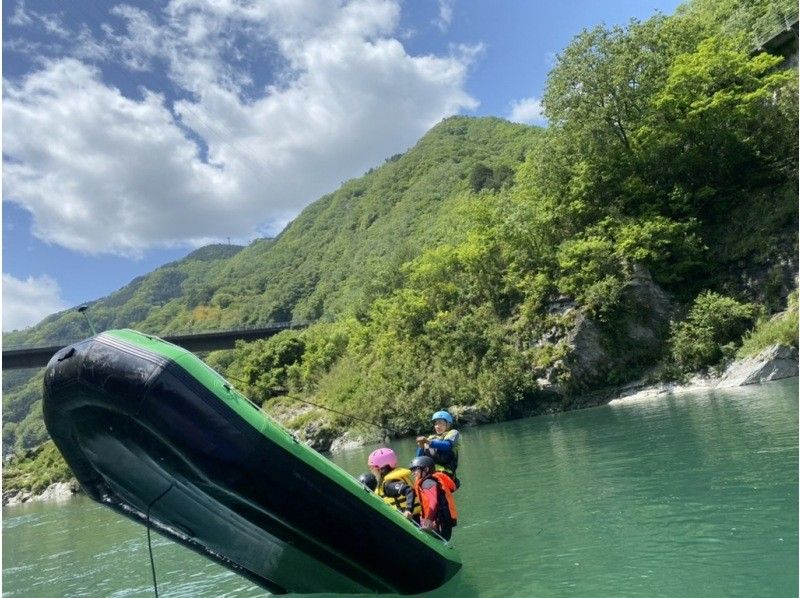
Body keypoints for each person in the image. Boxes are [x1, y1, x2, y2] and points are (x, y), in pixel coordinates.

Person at [409, 456, 458, 541]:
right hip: (440, 520)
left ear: (426, 469)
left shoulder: (427, 482)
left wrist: (429, 520)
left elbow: (433, 501)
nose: (413, 473)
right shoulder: (426, 481)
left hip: (439, 521)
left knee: (441, 541)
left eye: (415, 470)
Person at [367, 447, 420, 522]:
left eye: (372, 468)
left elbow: (409, 490)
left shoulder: (388, 485)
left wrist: (408, 510)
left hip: (410, 520)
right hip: (417, 517)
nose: (371, 471)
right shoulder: (399, 477)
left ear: (381, 469)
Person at [416, 410, 461, 488]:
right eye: (436, 424)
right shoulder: (431, 438)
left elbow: (447, 445)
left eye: (440, 423)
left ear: (448, 424)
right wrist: (421, 446)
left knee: (435, 443)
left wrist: (428, 442)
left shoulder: (453, 433)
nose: (437, 426)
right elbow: (419, 458)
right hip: (431, 472)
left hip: (447, 472)